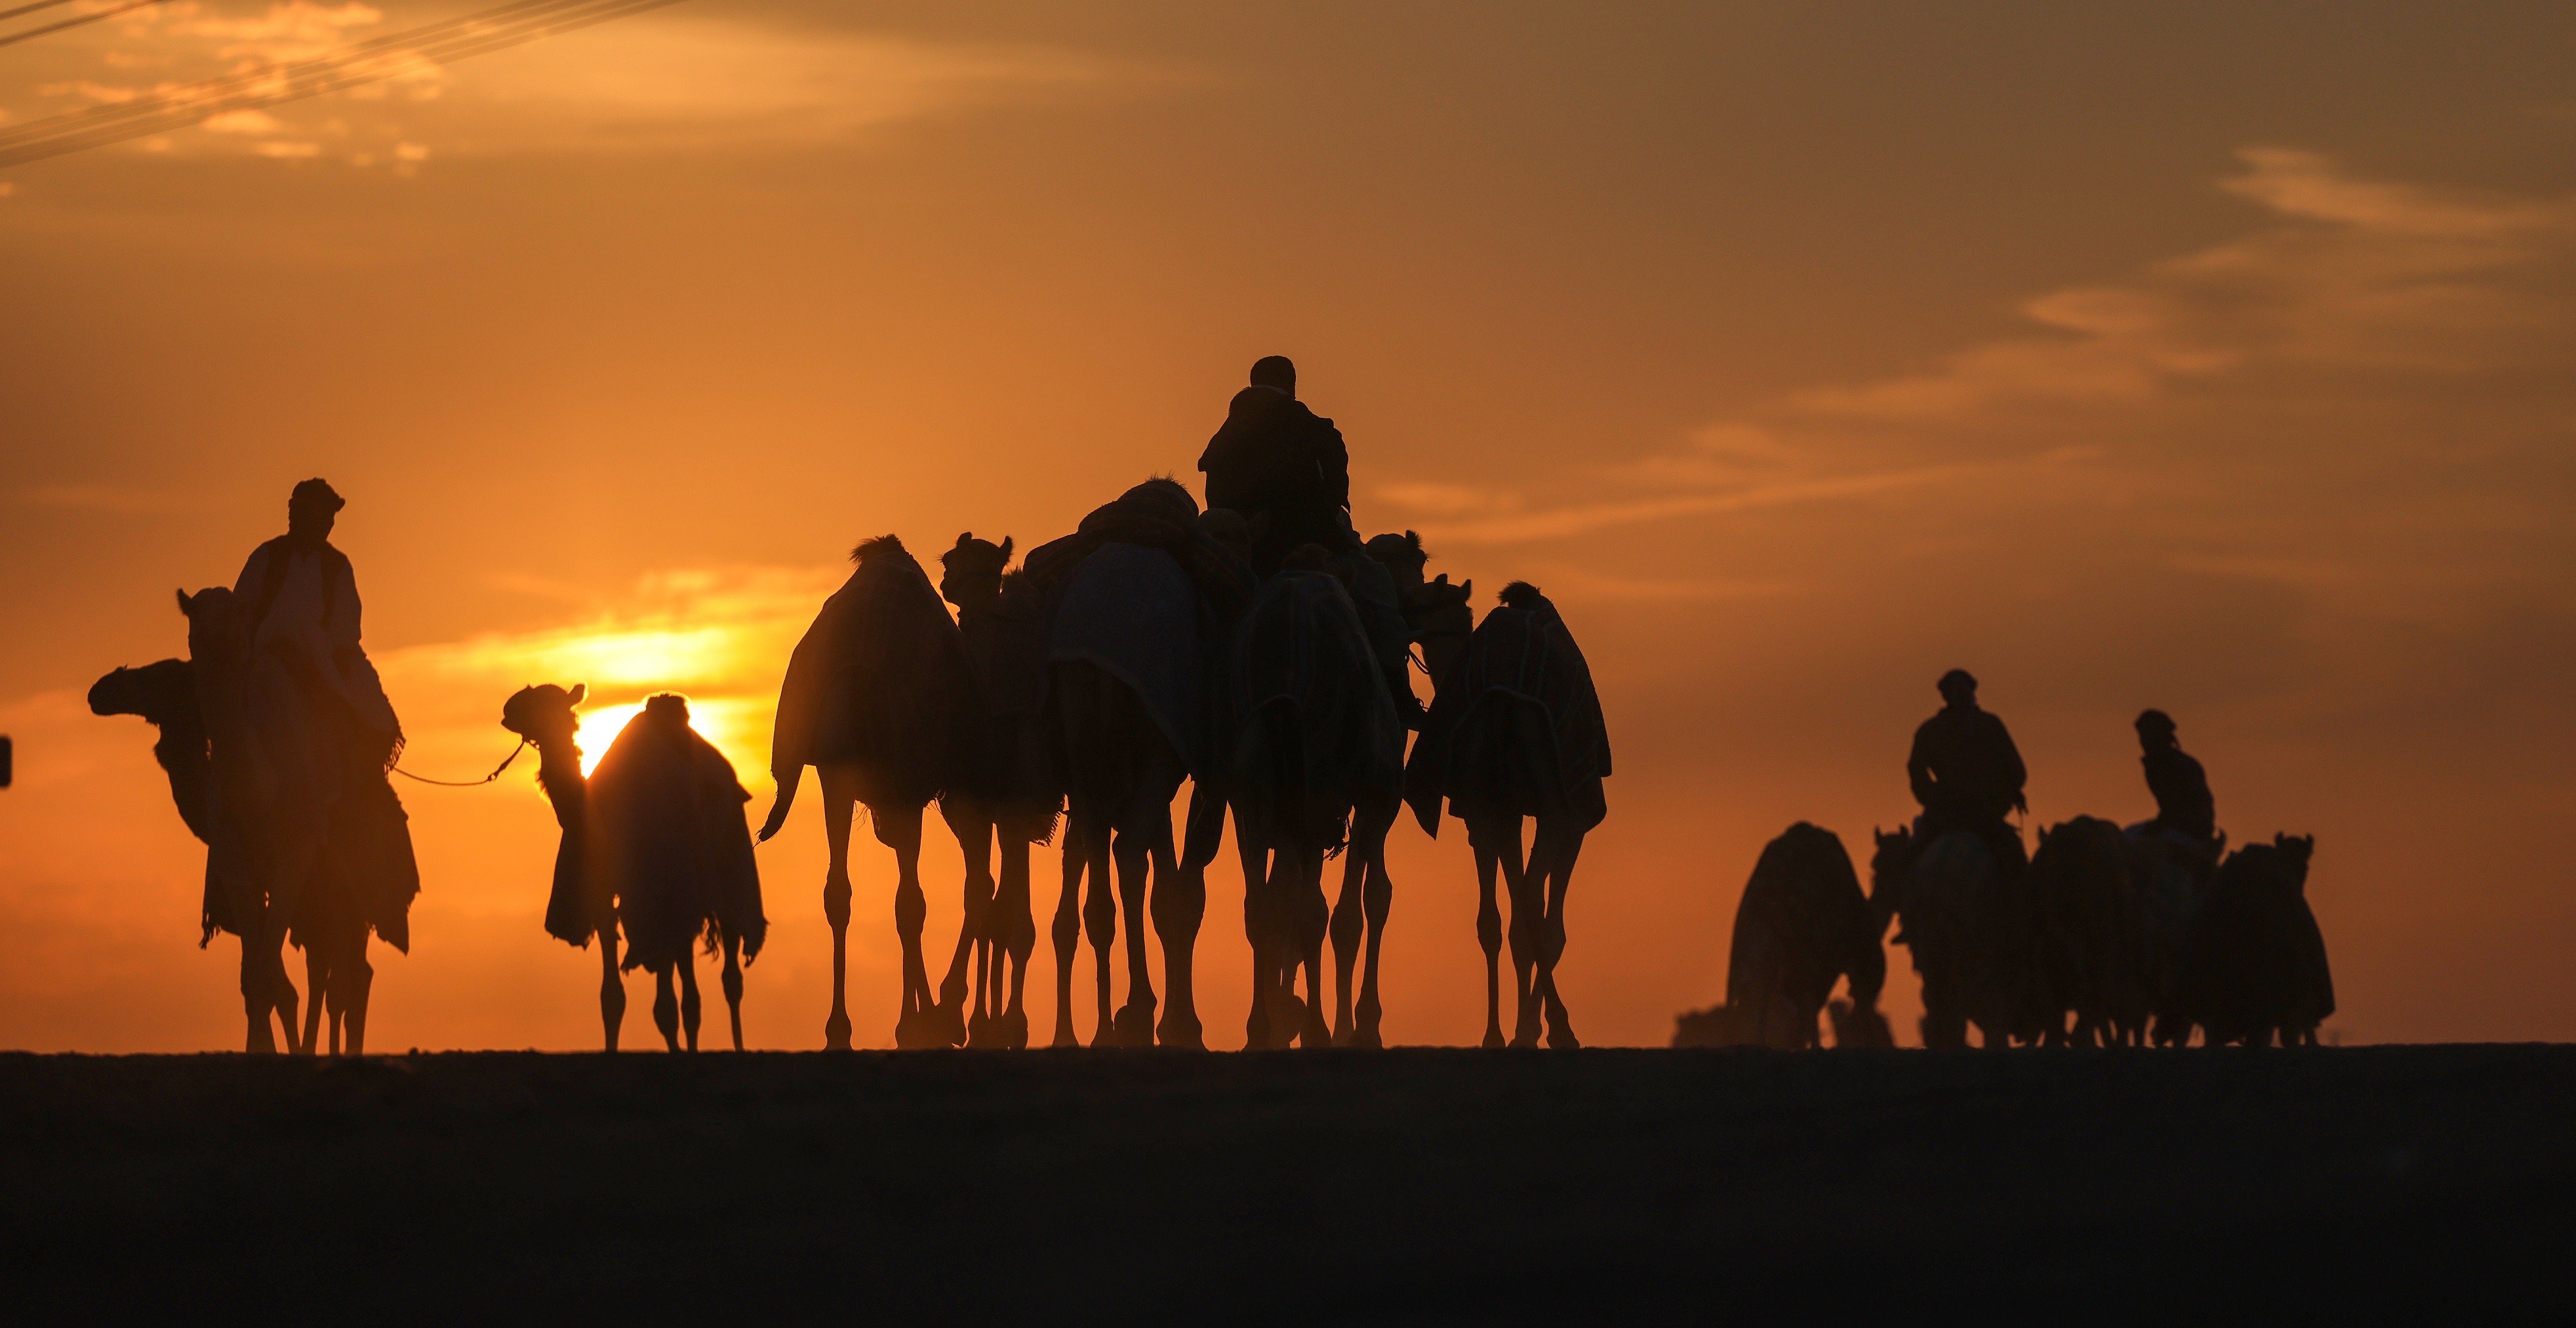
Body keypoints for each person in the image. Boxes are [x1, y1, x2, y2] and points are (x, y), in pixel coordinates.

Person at [1197, 355, 1350, 576]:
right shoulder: (1314, 429)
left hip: (1229, 552)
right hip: (1300, 549)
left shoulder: (1227, 435)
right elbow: (1334, 493)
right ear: (1292, 385)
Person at [1905, 669, 2028, 875]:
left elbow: (2015, 771)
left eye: (1965, 690)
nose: (1963, 695)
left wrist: (1999, 795)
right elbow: (1917, 771)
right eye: (1957, 690)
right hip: (1952, 815)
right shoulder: (1931, 731)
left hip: (1981, 813)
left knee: (2017, 866)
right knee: (1904, 864)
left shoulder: (1990, 725)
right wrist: (1937, 799)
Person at [2134, 709, 2215, 841]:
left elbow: (2178, 806)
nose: (2144, 740)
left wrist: (2159, 826)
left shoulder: (2170, 765)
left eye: (2149, 735)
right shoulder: (2162, 763)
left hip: (2189, 831)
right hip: (2183, 827)